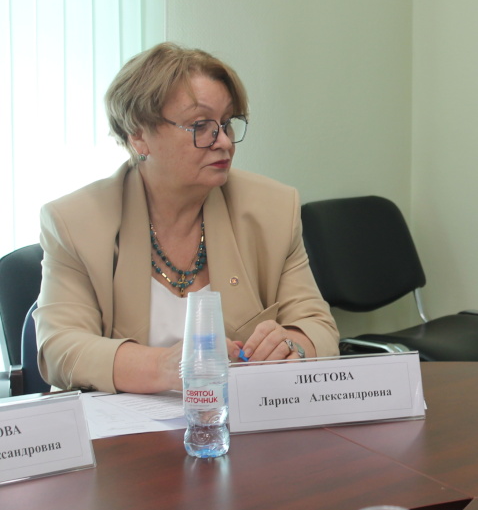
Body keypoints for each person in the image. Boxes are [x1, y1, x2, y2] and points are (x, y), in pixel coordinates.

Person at [36, 43, 339, 393]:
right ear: (139, 135)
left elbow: (318, 327)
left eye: (226, 123)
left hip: (237, 419)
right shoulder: (75, 221)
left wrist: (293, 345)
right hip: (123, 424)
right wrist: (163, 367)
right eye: (201, 125)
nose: (224, 142)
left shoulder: (273, 209)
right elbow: (60, 348)